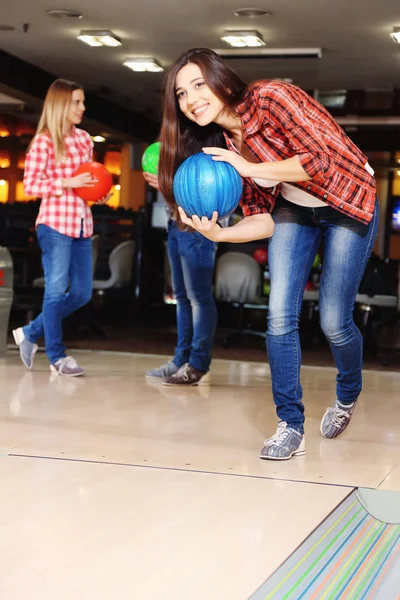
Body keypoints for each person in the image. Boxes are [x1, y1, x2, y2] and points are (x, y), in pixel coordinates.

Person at [156, 47, 378, 459]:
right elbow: (262, 218)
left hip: (348, 200)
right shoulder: (225, 145)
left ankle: (347, 394)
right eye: (181, 94)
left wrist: (250, 167)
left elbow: (320, 162)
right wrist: (220, 236)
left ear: (221, 79)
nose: (191, 99)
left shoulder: (271, 97)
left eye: (198, 84)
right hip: (295, 210)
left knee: (333, 320)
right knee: (279, 315)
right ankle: (290, 425)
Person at [13, 79, 111, 377]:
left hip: (82, 224)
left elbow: (88, 182)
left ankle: (30, 332)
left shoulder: (84, 140)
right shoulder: (44, 141)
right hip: (54, 224)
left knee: (81, 293)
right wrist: (68, 183)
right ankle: (57, 357)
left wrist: (99, 193)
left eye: (82, 102)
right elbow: (30, 185)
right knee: (55, 291)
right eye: (76, 103)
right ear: (60, 105)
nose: (82, 108)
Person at [142, 174, 217, 386]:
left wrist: (169, 185)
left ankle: (197, 364)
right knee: (182, 297)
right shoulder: (180, 142)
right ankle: (181, 360)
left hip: (199, 224)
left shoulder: (209, 141)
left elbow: (207, 185)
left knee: (199, 298)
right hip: (175, 221)